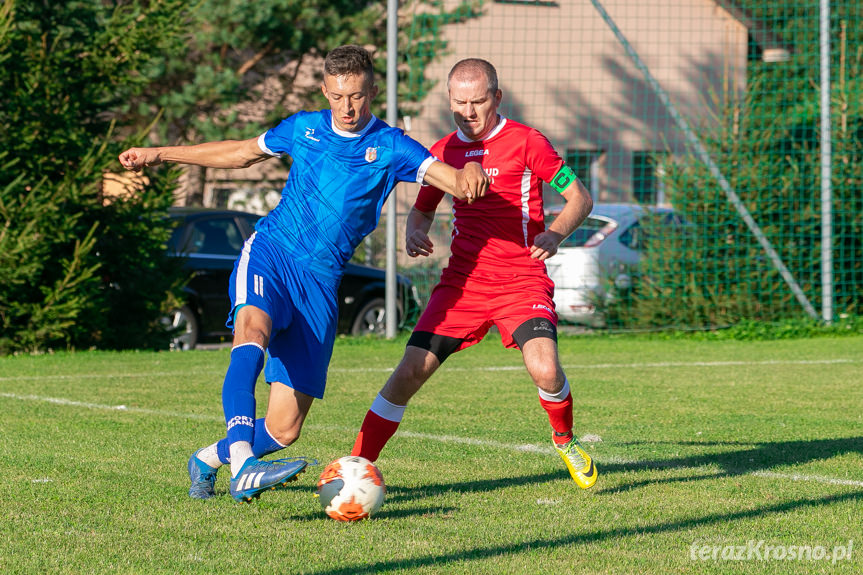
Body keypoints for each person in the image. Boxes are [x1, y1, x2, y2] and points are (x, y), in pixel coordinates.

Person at [119, 45, 489, 503]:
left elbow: (451, 179)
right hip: (273, 253)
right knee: (252, 332)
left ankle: (207, 460)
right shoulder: (304, 128)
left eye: (356, 95)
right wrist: (160, 154)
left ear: (372, 90)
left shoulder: (392, 146)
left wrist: (470, 170)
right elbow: (239, 153)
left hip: (320, 284)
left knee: (284, 428)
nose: (347, 107)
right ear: (324, 91)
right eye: (337, 96)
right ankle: (244, 465)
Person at [350, 58, 597, 489]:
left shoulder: (528, 142)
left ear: (496, 98)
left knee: (545, 370)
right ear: (449, 99)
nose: (468, 111)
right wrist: (415, 232)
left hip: (522, 279)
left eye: (478, 102)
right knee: (409, 372)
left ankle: (565, 440)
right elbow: (422, 209)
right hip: (463, 284)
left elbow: (580, 198)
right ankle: (355, 466)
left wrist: (555, 234)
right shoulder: (443, 151)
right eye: (459, 102)